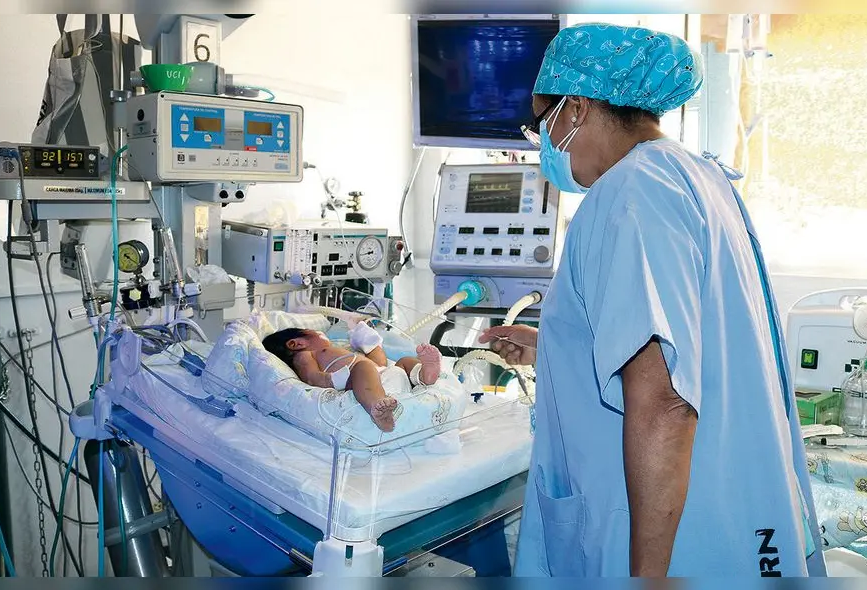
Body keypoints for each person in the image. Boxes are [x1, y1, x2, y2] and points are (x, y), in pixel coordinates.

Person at [478, 23, 826, 577]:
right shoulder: (699, 177)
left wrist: (647, 577)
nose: (542, 142)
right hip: (734, 499)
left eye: (542, 122)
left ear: (576, 108)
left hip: (670, 531)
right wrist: (556, 347)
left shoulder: (630, 195)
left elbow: (665, 400)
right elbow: (694, 339)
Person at [262, 323, 443, 432]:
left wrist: (370, 344)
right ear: (296, 343)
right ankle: (377, 407)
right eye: (314, 332)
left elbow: (378, 363)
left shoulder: (343, 351)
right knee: (363, 367)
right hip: (361, 388)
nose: (322, 334)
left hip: (386, 377)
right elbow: (312, 378)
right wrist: (335, 380)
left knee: (404, 362)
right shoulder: (304, 355)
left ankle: (424, 374)